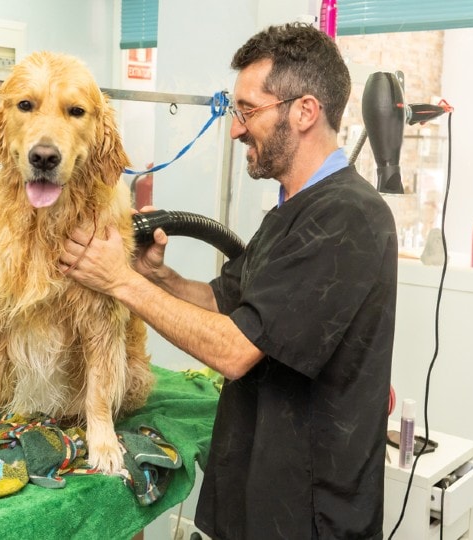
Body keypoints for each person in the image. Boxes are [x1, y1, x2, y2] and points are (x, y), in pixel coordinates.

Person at [61, 22, 398, 540]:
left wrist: (121, 284)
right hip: (252, 496)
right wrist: (157, 276)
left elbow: (236, 349)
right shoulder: (294, 208)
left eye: (248, 110)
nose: (236, 128)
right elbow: (226, 302)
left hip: (306, 514)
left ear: (304, 112)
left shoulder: (348, 216)